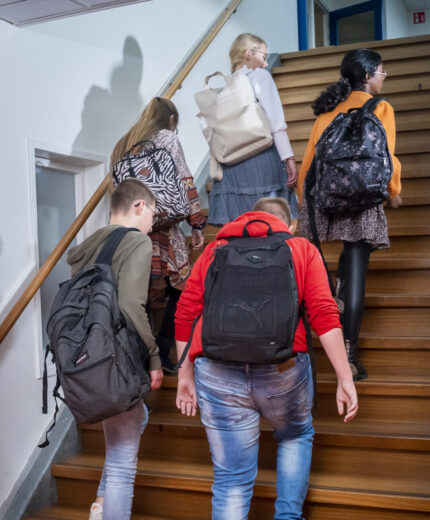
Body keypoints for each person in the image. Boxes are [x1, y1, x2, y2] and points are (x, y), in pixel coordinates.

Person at [175, 197, 358, 520]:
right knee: (295, 435)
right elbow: (324, 315)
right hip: (283, 369)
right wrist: (345, 378)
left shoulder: (214, 251)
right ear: (288, 225)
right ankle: (287, 516)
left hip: (216, 370)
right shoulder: (301, 249)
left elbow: (186, 314)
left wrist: (184, 376)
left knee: (231, 479)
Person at [296, 48, 402, 381]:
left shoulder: (328, 110)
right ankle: (350, 355)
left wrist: (304, 201)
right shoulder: (382, 108)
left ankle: (334, 300)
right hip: (364, 199)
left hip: (326, 197)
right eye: (382, 72)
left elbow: (310, 160)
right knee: (357, 268)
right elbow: (388, 156)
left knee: (329, 265)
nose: (383, 78)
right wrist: (394, 192)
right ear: (368, 75)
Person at [66, 179, 163, 520]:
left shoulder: (88, 245)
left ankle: (101, 504)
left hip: (87, 359)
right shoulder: (136, 241)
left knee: (135, 421)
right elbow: (131, 304)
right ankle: (105, 506)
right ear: (138, 207)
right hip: (117, 358)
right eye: (153, 212)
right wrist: (154, 357)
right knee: (123, 463)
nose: (154, 222)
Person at [110, 97, 206, 373]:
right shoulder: (166, 138)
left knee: (137, 295)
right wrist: (197, 223)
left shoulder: (124, 143)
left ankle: (141, 360)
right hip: (165, 230)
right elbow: (186, 180)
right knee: (182, 291)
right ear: (171, 120)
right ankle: (162, 353)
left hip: (134, 231)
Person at [207, 33, 299, 227]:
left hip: (231, 167)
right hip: (261, 159)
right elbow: (275, 123)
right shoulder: (259, 76)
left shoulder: (226, 87)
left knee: (241, 231)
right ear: (249, 54)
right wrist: (288, 158)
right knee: (269, 226)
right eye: (264, 57)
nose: (266, 64)